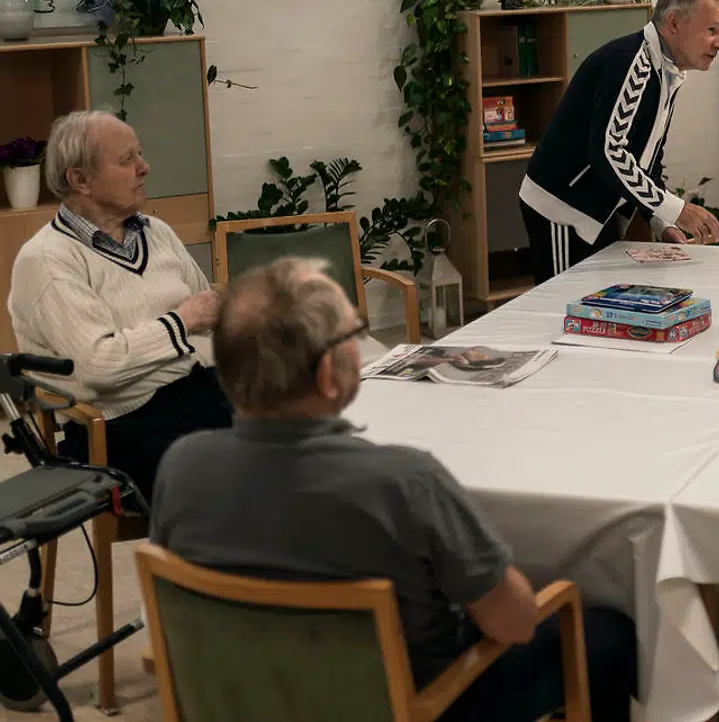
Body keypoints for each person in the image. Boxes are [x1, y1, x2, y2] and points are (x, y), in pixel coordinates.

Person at [150, 257, 637, 722]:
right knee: (606, 634)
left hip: (245, 698)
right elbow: (513, 624)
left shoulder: (181, 465)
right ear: (327, 374)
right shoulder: (404, 481)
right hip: (418, 705)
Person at [7, 110, 230, 500]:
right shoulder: (46, 260)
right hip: (118, 425)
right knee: (241, 476)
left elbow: (207, 311)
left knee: (311, 439)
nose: (145, 167)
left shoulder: (156, 232)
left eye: (139, 155)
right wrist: (180, 323)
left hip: (199, 391)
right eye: (126, 160)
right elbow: (96, 366)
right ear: (80, 179)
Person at [519, 0, 719, 283]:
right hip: (564, 208)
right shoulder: (634, 64)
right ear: (673, 23)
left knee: (595, 310)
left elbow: (646, 157)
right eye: (712, 30)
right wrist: (674, 207)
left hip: (599, 209)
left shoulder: (666, 69)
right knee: (562, 310)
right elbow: (609, 151)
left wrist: (659, 219)